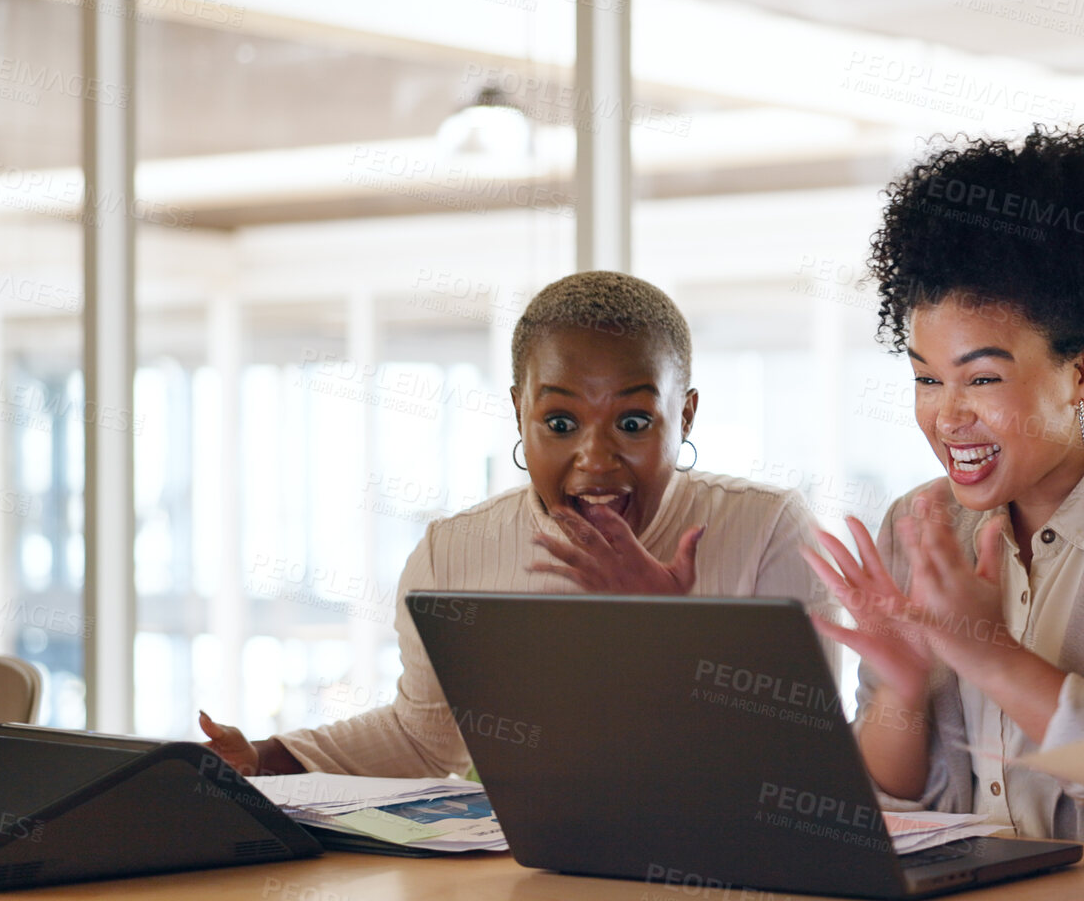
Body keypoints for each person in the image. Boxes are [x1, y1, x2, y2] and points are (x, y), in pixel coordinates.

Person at [803, 127, 1084, 844]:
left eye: (981, 378)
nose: (945, 415)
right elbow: (892, 800)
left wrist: (992, 656)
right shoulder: (923, 521)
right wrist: (902, 689)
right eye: (926, 378)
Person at [199, 270, 833, 777]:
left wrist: (663, 627)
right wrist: (263, 758)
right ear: (519, 414)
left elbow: (801, 767)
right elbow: (423, 741)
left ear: (686, 416)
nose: (595, 457)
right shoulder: (455, 553)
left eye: (633, 423)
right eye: (560, 424)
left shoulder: (768, 530)